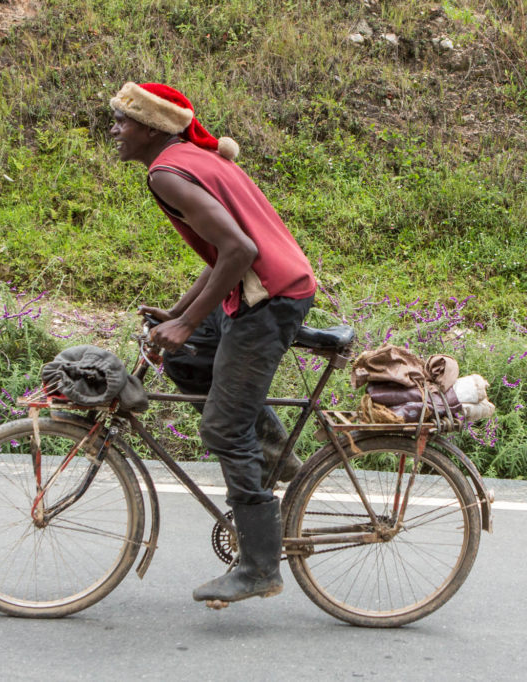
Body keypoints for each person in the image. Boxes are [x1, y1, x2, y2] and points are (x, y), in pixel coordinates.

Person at [109, 82, 316, 605]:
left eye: (122, 121)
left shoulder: (168, 173)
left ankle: (259, 567)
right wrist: (179, 317)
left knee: (222, 428)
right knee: (189, 355)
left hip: (269, 298)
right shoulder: (188, 158)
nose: (114, 130)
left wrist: (182, 322)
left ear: (151, 129)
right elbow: (220, 257)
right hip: (257, 291)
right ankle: (272, 453)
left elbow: (239, 251)